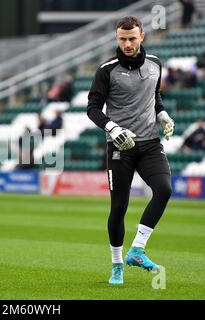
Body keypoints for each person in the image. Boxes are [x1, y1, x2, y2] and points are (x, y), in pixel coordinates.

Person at [87, 16, 174, 285]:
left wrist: (162, 115)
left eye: (132, 38)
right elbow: (92, 109)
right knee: (119, 207)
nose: (127, 43)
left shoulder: (155, 64)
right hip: (120, 146)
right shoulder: (106, 70)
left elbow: (153, 97)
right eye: (122, 39)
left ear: (142, 37)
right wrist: (112, 128)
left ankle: (137, 250)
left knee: (164, 189)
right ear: (117, 38)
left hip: (149, 143)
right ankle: (116, 266)